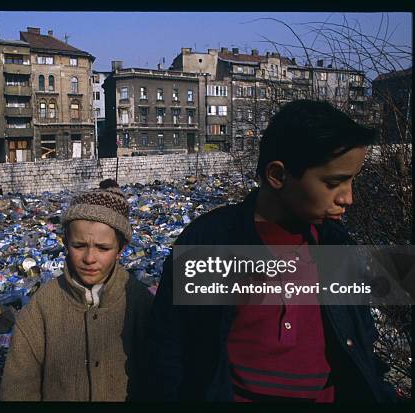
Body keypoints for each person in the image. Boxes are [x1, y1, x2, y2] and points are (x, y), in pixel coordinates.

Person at [147, 100, 397, 402]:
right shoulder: (209, 243)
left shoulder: (336, 245)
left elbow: (361, 343)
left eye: (352, 180)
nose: (348, 198)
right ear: (278, 175)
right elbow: (169, 356)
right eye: (334, 182)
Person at [0, 179, 153, 401]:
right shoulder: (43, 306)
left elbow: (159, 378)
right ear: (65, 243)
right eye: (79, 246)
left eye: (103, 248)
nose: (89, 259)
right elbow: (19, 387)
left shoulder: (139, 302)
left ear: (121, 249)